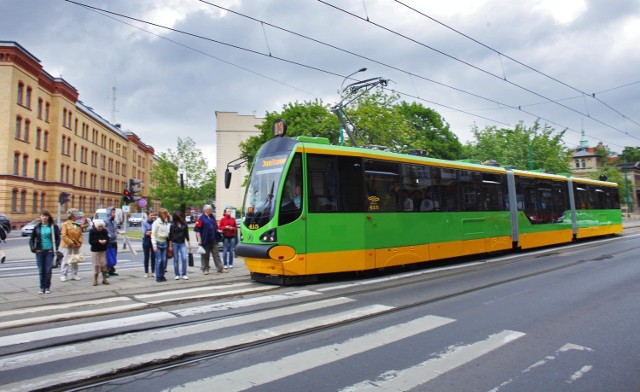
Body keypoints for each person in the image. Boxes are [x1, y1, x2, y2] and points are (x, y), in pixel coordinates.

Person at [29, 210, 60, 294]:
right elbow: (32, 239)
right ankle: (41, 287)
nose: (44, 217)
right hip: (40, 251)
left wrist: (54, 248)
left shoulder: (53, 226)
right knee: (41, 269)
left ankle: (47, 287)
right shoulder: (37, 227)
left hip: (49, 251)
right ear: (40, 217)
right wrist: (34, 249)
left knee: (48, 269)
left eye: (46, 216)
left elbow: (58, 238)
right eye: (43, 216)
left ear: (48, 217)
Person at [194, 204, 227, 275]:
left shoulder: (212, 217)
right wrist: (199, 240)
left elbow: (215, 227)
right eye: (210, 209)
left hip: (213, 239)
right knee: (205, 256)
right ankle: (205, 269)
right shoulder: (201, 219)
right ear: (206, 210)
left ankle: (220, 268)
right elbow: (197, 230)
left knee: (216, 254)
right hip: (205, 240)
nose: (212, 210)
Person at [60, 208, 83, 282]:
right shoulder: (65, 224)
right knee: (66, 260)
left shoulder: (77, 224)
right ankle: (63, 275)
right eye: (76, 214)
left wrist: (79, 242)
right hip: (68, 245)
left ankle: (74, 274)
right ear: (72, 215)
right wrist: (71, 243)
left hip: (76, 245)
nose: (77, 215)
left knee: (75, 260)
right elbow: (64, 235)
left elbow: (80, 234)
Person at [169, 211, 190, 280]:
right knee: (176, 259)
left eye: (181, 217)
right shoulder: (172, 225)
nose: (181, 218)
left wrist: (189, 243)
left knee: (184, 258)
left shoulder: (184, 224)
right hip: (175, 243)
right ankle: (177, 274)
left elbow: (187, 234)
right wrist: (170, 246)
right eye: (179, 217)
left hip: (182, 243)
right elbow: (170, 236)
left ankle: (184, 273)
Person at [88, 219, 110, 286]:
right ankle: (95, 280)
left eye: (101, 227)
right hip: (95, 251)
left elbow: (108, 239)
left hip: (103, 250)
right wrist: (98, 241)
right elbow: (90, 242)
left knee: (104, 264)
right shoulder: (92, 231)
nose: (100, 228)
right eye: (99, 227)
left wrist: (105, 241)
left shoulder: (104, 231)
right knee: (96, 265)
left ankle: (104, 279)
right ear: (96, 226)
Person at [151, 208, 170, 283]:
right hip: (158, 242)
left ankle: (162, 275)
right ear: (161, 214)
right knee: (159, 260)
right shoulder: (156, 223)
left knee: (164, 260)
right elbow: (153, 234)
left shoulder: (165, 222)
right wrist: (154, 244)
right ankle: (158, 276)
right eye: (164, 214)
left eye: (166, 214)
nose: (165, 215)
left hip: (164, 242)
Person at [103, 207, 119, 276]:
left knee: (113, 255)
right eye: (113, 212)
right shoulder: (105, 221)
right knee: (107, 256)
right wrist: (108, 236)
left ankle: (111, 270)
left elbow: (114, 229)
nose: (114, 214)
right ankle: (106, 271)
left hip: (113, 241)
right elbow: (104, 230)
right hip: (108, 241)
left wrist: (118, 232)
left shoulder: (114, 221)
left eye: (115, 212)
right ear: (109, 213)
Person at [141, 212, 156, 278]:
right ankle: (146, 272)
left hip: (153, 241)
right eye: (151, 215)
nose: (152, 216)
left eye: (153, 215)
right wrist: (151, 232)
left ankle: (153, 272)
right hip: (146, 241)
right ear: (148, 216)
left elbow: (155, 232)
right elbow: (145, 233)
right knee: (146, 257)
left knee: (153, 257)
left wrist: (149, 232)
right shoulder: (144, 223)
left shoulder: (154, 223)